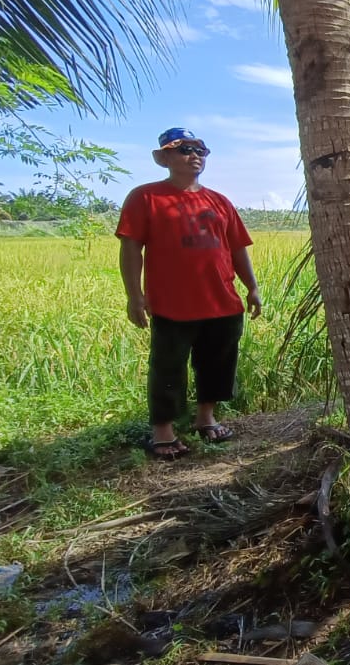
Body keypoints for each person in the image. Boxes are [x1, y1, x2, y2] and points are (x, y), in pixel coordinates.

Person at [116, 128, 263, 460]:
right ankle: (163, 432)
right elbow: (130, 249)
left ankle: (205, 418)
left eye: (200, 150)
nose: (194, 155)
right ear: (165, 158)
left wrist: (252, 287)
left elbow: (238, 248)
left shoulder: (219, 201)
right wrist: (134, 295)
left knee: (217, 364)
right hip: (172, 304)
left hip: (223, 301)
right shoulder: (145, 197)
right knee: (168, 367)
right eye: (183, 150)